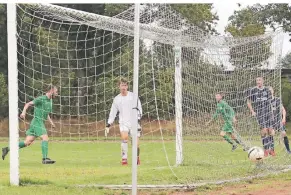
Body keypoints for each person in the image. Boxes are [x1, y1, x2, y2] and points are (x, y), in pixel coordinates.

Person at [2, 85, 58, 164]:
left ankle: (7, 149)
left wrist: (51, 122)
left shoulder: (50, 101)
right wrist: (23, 112)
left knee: (27, 142)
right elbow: (27, 104)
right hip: (37, 122)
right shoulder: (41, 99)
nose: (57, 93)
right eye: (56, 91)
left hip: (38, 123)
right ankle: (45, 159)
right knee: (45, 138)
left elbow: (46, 112)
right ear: (51, 91)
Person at [105, 78, 142, 165]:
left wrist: (138, 118)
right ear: (119, 86)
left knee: (136, 143)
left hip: (134, 122)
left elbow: (139, 108)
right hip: (123, 122)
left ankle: (137, 158)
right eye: (122, 85)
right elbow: (113, 112)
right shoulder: (117, 99)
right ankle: (124, 159)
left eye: (125, 85)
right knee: (124, 138)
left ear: (127, 86)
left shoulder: (133, 96)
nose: (124, 87)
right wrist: (109, 123)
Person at [247, 77, 275, 157]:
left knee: (271, 131)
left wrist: (272, 92)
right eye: (257, 81)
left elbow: (272, 100)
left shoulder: (267, 89)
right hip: (259, 113)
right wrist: (252, 111)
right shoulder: (253, 90)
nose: (258, 82)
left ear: (263, 81)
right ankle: (266, 150)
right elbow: (248, 102)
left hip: (268, 112)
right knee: (264, 131)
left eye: (259, 80)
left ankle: (272, 149)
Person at [269, 86, 291, 154]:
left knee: (284, 133)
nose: (269, 92)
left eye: (270, 90)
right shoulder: (266, 102)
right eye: (268, 91)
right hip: (270, 121)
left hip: (278, 120)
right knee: (272, 133)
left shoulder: (277, 99)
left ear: (273, 91)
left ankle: (288, 150)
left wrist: (283, 118)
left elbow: (283, 109)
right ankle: (272, 151)